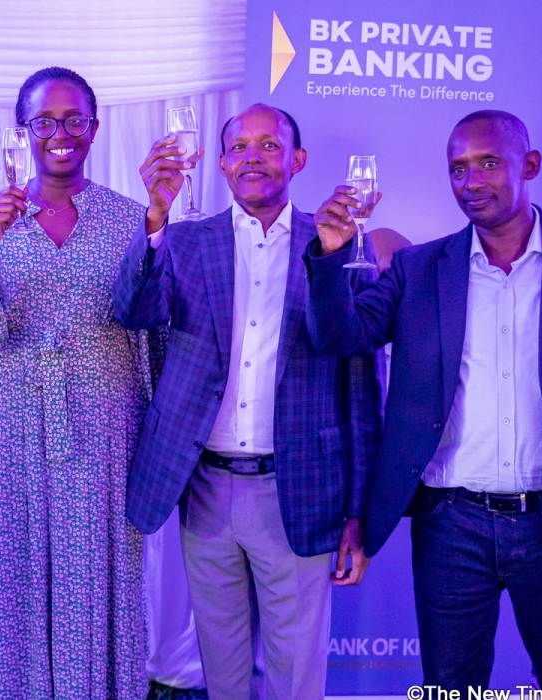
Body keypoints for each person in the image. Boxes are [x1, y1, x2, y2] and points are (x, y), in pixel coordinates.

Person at [306, 109, 542, 688]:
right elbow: (341, 337)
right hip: (450, 527)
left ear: (529, 165)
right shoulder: (418, 269)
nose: (471, 181)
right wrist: (331, 255)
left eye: (489, 163)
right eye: (458, 168)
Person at [112, 104, 382, 700]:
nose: (252, 157)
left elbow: (361, 388)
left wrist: (358, 511)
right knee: (223, 673)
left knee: (296, 675)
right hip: (204, 489)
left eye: (269, 145)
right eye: (239, 147)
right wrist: (154, 217)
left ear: (298, 159)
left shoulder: (337, 244)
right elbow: (133, 312)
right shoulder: (184, 239)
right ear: (221, 163)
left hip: (300, 489)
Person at [0, 66, 154, 700]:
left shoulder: (131, 219)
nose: (61, 133)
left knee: (94, 567)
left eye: (74, 119)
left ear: (94, 128)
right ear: (22, 131)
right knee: (16, 567)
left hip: (104, 422)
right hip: (12, 421)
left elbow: (153, 324)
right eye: (45, 121)